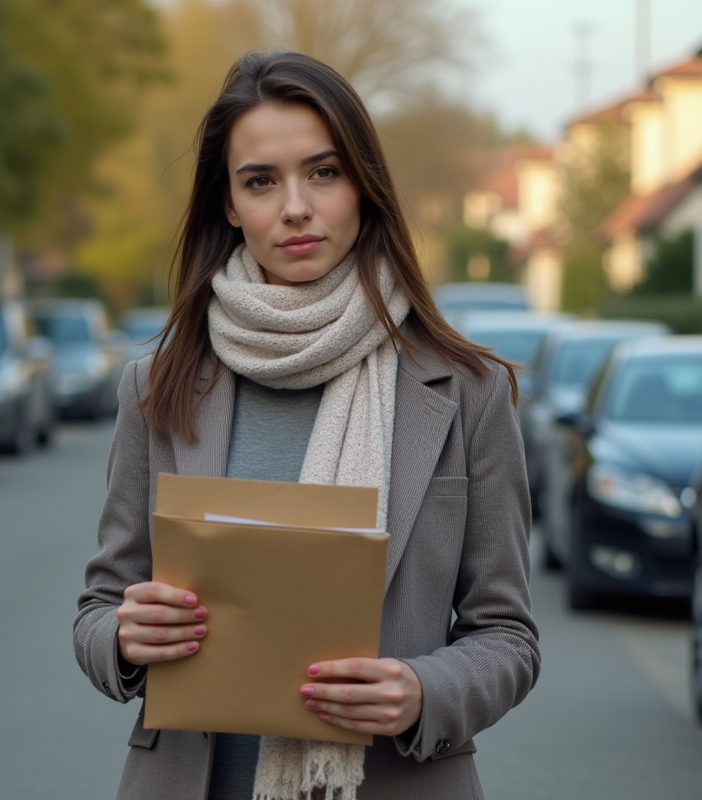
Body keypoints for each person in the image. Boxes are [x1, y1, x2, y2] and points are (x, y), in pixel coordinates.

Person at [73, 51, 540, 800]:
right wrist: (125, 640)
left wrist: (423, 690)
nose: (296, 206)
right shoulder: (157, 384)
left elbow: (509, 637)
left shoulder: (467, 391)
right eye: (261, 181)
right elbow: (99, 610)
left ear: (364, 185)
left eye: (323, 172)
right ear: (228, 204)